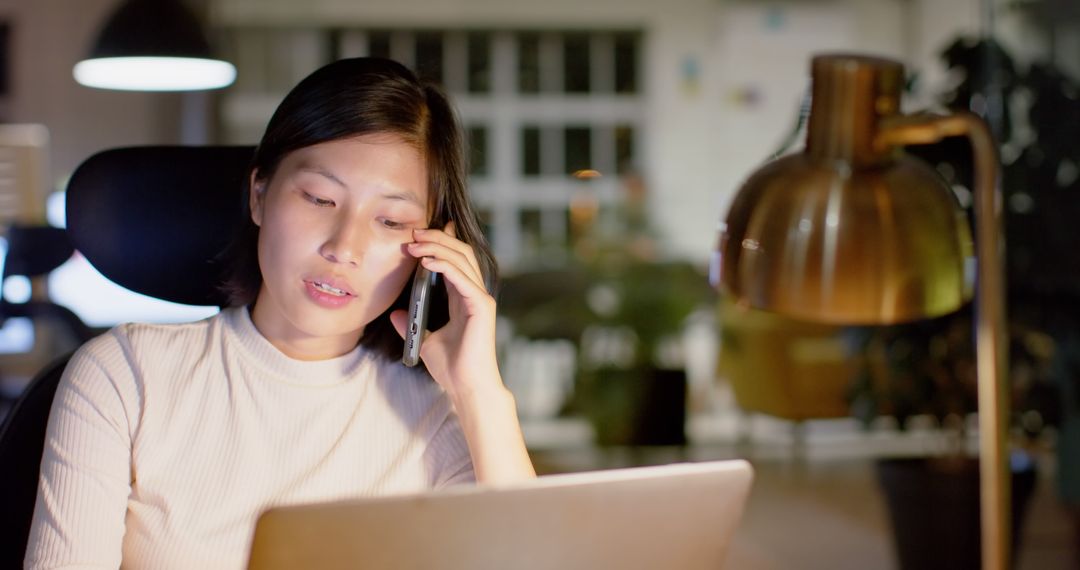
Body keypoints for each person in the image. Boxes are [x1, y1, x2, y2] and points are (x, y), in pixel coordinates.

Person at [25, 57, 535, 569]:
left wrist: (479, 392)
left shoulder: (438, 418)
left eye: (390, 219)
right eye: (319, 198)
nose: (345, 247)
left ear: (431, 249)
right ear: (259, 195)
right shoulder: (124, 375)